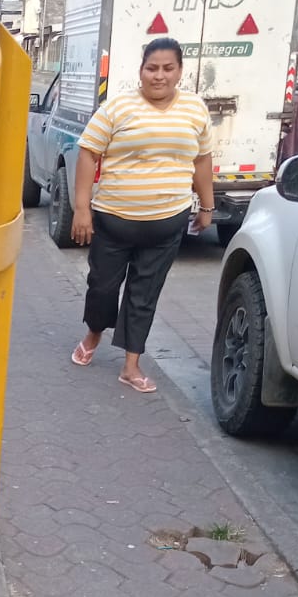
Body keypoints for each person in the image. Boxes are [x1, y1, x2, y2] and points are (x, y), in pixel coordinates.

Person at [70, 37, 214, 394]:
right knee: (102, 287)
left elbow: (202, 160)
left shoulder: (195, 110)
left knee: (144, 293)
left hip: (167, 222)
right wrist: (81, 209)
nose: (159, 76)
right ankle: (93, 333)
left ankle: (131, 365)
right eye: (152, 68)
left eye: (167, 68)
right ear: (141, 71)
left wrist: (207, 206)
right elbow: (88, 153)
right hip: (113, 220)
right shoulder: (118, 108)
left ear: (179, 71)